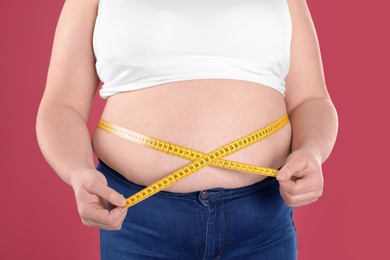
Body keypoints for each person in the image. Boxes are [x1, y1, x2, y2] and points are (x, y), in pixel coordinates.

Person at [36, 0, 338, 259]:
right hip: (138, 220)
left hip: (261, 222)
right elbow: (61, 105)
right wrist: (78, 172)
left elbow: (312, 99)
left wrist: (311, 151)